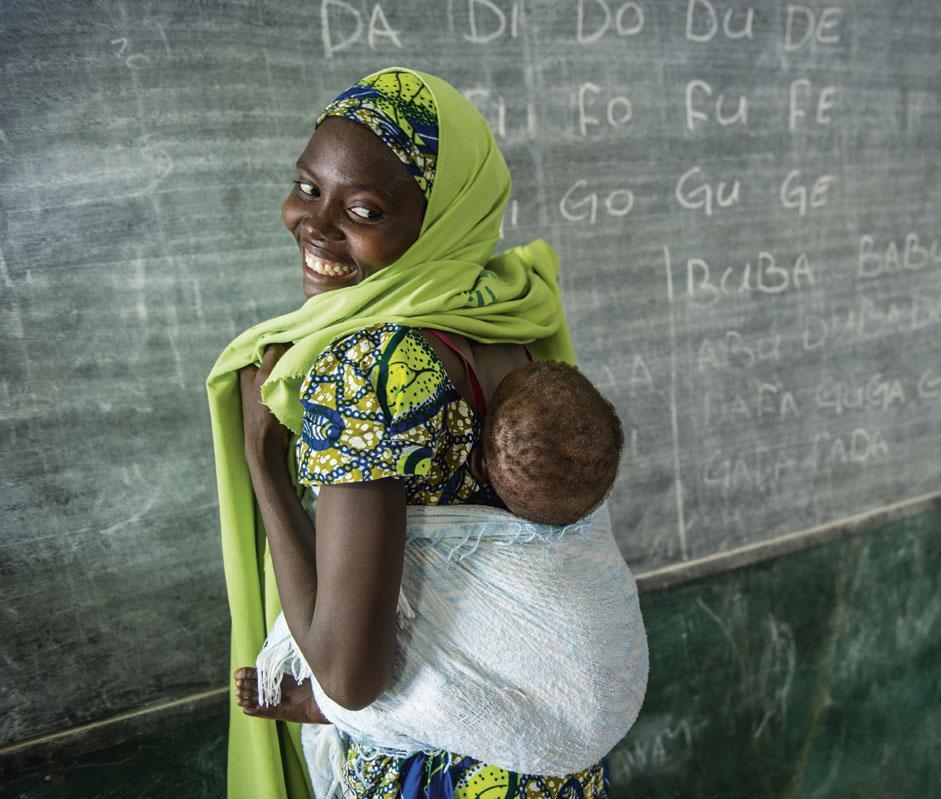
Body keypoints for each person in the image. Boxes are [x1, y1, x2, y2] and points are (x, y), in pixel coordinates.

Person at [206, 68, 643, 799]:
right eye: (309, 187)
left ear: (435, 217)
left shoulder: (372, 369)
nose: (315, 224)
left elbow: (348, 678)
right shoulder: (511, 319)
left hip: (438, 771)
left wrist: (263, 462)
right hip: (549, 765)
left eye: (366, 209)